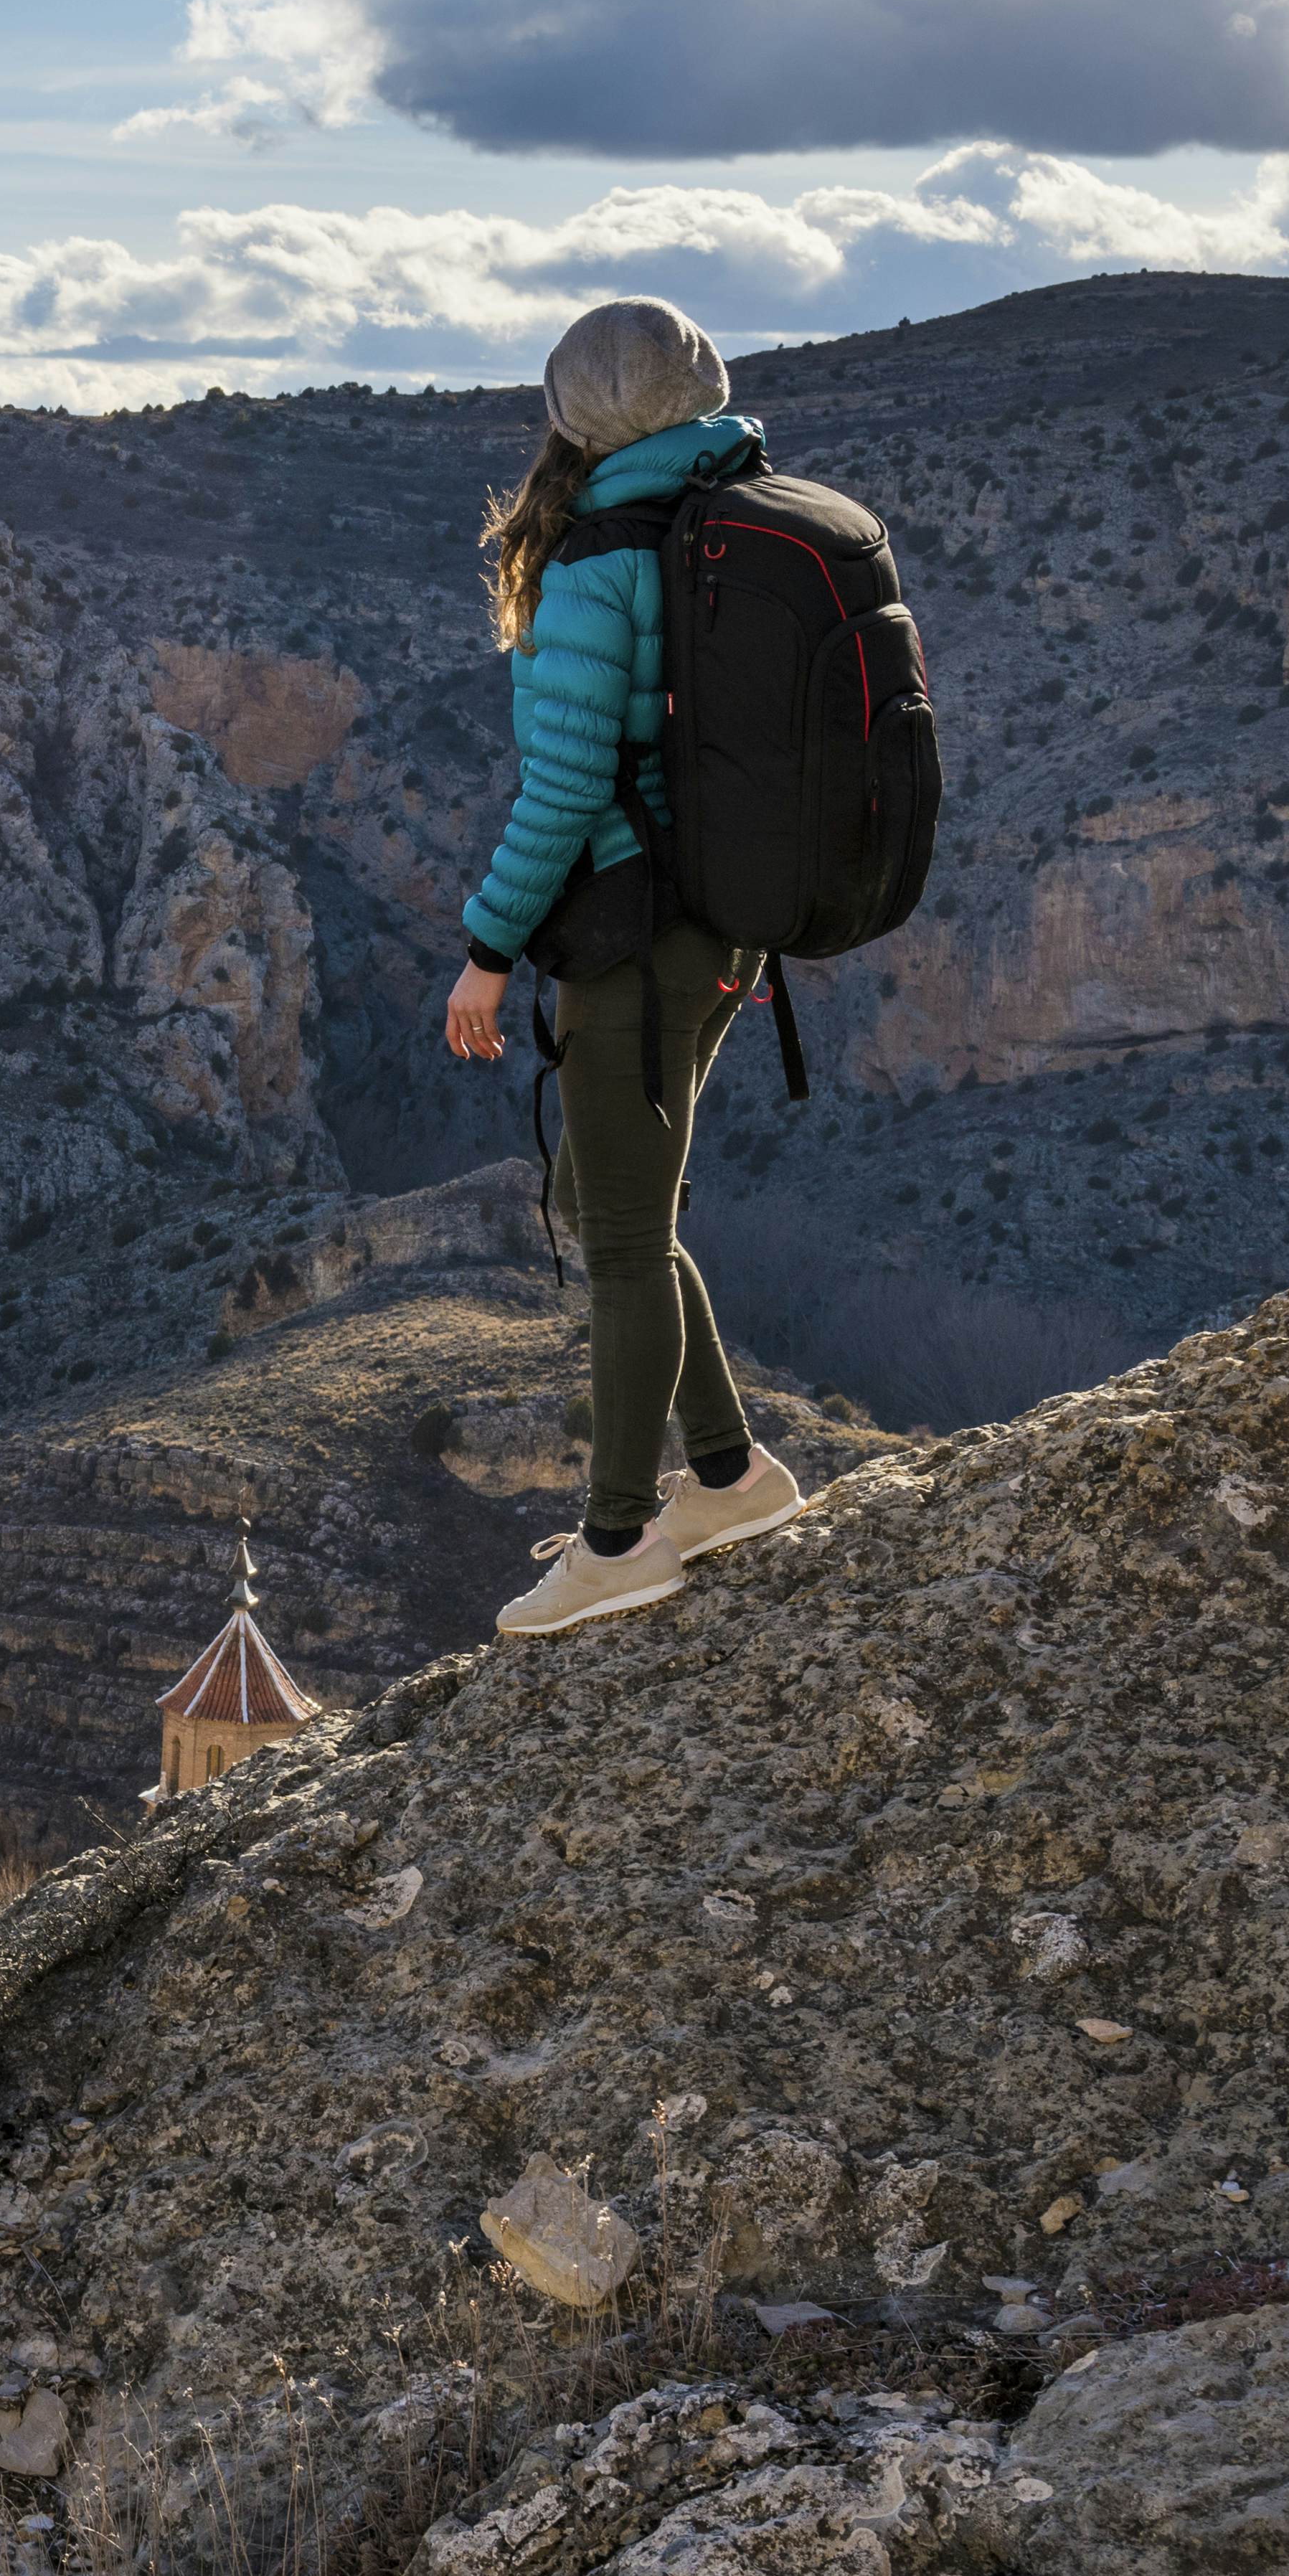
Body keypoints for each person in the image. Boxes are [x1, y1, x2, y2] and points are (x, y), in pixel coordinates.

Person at [441, 298, 809, 1634]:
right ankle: (728, 1474)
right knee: (612, 1197)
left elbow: (564, 794)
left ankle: (618, 1542)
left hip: (634, 937)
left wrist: (487, 953)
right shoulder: (730, 513)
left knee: (618, 1241)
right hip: (716, 928)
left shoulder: (603, 563)